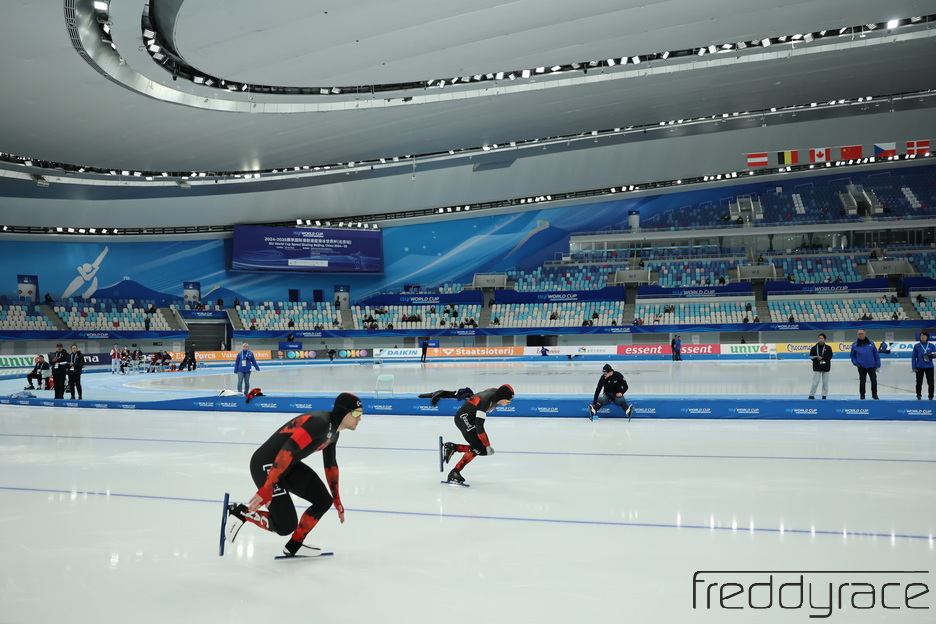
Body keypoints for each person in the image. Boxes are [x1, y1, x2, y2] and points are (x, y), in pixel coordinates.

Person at [224, 393, 364, 557]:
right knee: (285, 526)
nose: (359, 418)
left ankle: (294, 545)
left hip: (287, 465)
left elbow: (331, 466)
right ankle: (241, 512)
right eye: (356, 413)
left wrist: (337, 500)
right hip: (267, 464)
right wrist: (268, 486)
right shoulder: (320, 422)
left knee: (323, 501)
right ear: (343, 412)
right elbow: (289, 449)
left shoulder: (334, 433)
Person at [441, 385, 514, 485]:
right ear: (503, 397)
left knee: (483, 451)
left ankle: (453, 447)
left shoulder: (496, 394)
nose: (509, 403)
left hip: (471, 418)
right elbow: (479, 427)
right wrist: (487, 445)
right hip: (463, 417)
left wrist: (486, 447)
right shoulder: (486, 401)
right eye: (509, 400)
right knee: (479, 447)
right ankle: (455, 472)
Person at [849, 329, 881, 400]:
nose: (860, 335)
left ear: (865, 334)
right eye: (859, 334)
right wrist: (856, 363)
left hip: (871, 366)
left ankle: (874, 394)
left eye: (862, 333)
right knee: (862, 381)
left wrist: (877, 365)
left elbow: (876, 354)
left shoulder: (871, 343)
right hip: (861, 366)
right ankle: (862, 395)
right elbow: (852, 355)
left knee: (874, 381)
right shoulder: (855, 345)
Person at [911, 331, 936, 400]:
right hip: (919, 367)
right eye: (921, 335)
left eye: (924, 335)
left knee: (931, 382)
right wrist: (914, 367)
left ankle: (930, 396)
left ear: (927, 337)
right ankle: (918, 395)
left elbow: (934, 356)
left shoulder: (931, 345)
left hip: (929, 367)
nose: (922, 337)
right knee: (919, 382)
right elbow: (913, 357)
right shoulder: (917, 346)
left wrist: (933, 355)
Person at [807, 333, 833, 400]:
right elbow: (811, 356)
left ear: (824, 339)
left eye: (822, 338)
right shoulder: (814, 348)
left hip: (826, 367)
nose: (820, 340)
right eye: (819, 338)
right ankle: (811, 395)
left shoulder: (828, 348)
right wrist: (817, 359)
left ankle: (824, 395)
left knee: (825, 382)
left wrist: (823, 358)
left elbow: (830, 356)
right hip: (817, 366)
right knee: (815, 382)